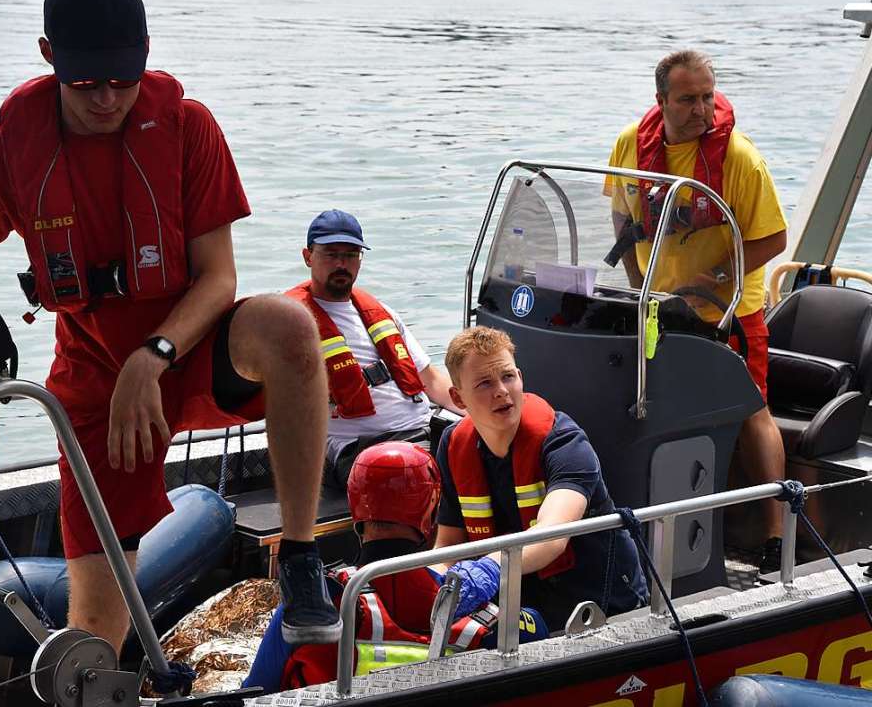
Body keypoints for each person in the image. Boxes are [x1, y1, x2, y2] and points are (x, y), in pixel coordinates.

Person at [0, 0, 340, 653]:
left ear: (145, 52)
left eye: (123, 80)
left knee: (289, 327)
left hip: (187, 349)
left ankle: (300, 556)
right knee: (95, 640)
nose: (108, 98)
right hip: (97, 390)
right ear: (49, 57)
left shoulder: (187, 127)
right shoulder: (8, 153)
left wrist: (155, 354)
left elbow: (217, 277)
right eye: (86, 85)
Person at [604, 49, 788, 572]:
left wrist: (717, 283)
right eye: (687, 99)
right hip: (661, 311)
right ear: (661, 101)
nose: (702, 109)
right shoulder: (630, 144)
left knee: (752, 410)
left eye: (708, 97)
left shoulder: (740, 159)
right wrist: (640, 291)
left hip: (730, 312)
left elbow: (773, 239)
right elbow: (622, 215)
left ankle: (776, 533)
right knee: (653, 407)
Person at [243, 442, 548, 693]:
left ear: (356, 511)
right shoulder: (487, 620)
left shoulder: (316, 608)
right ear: (430, 515)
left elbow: (256, 692)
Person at [433, 326, 648, 633]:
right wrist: (430, 583)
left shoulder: (564, 442)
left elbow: (552, 537)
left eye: (508, 377)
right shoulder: (453, 445)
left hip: (600, 605)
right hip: (518, 603)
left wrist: (489, 567)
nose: (501, 391)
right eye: (484, 383)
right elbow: (449, 545)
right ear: (458, 397)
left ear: (520, 377)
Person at [285, 209, 463, 488]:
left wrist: (480, 410)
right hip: (361, 449)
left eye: (351, 254)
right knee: (415, 474)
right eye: (331, 254)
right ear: (308, 257)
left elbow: (431, 380)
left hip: (423, 431)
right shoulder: (289, 321)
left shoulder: (382, 313)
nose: (342, 263)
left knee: (501, 446)